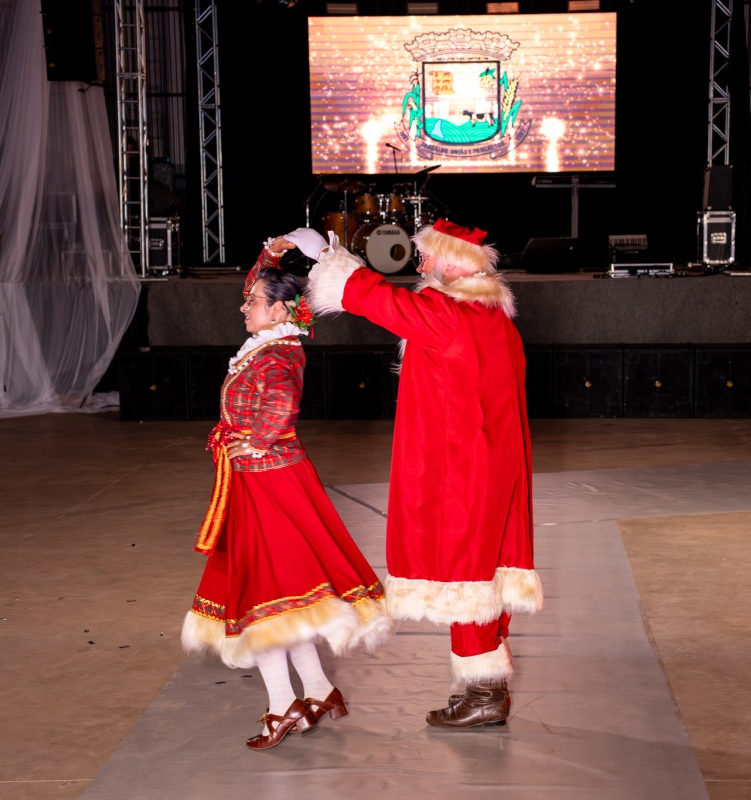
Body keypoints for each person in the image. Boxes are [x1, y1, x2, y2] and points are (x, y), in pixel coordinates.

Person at [287, 219, 542, 728]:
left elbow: (379, 300)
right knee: (488, 568)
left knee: (465, 574)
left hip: (461, 468)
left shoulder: (449, 315)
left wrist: (328, 260)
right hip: (494, 462)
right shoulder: (494, 318)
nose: (419, 262)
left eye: (427, 254)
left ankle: (483, 693)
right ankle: (486, 686)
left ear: (453, 259)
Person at [181, 235, 392, 750]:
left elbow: (281, 406)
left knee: (263, 597)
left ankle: (281, 706)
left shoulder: (276, 354)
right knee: (283, 596)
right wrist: (275, 252)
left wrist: (255, 441)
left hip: (267, 483)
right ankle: (318, 690)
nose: (244, 306)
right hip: (263, 481)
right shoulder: (273, 339)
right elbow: (260, 288)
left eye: (253, 301)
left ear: (279, 310)